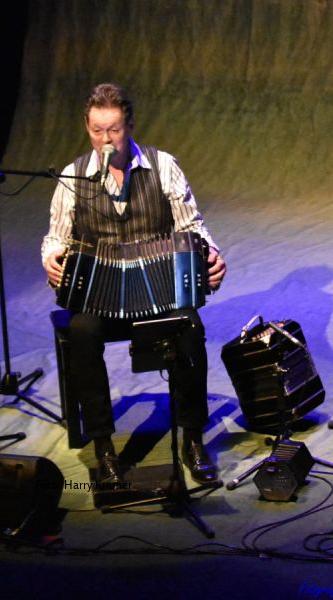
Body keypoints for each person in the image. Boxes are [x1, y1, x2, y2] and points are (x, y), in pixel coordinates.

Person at [42, 83, 227, 487]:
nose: (105, 139)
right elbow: (55, 237)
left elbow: (192, 227)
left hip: (156, 294)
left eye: (113, 130)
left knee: (191, 327)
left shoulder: (164, 167)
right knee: (82, 330)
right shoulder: (73, 177)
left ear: (130, 124)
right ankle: (104, 448)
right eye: (96, 130)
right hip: (101, 297)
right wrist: (51, 257)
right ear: (87, 127)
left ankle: (192, 438)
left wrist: (212, 255)